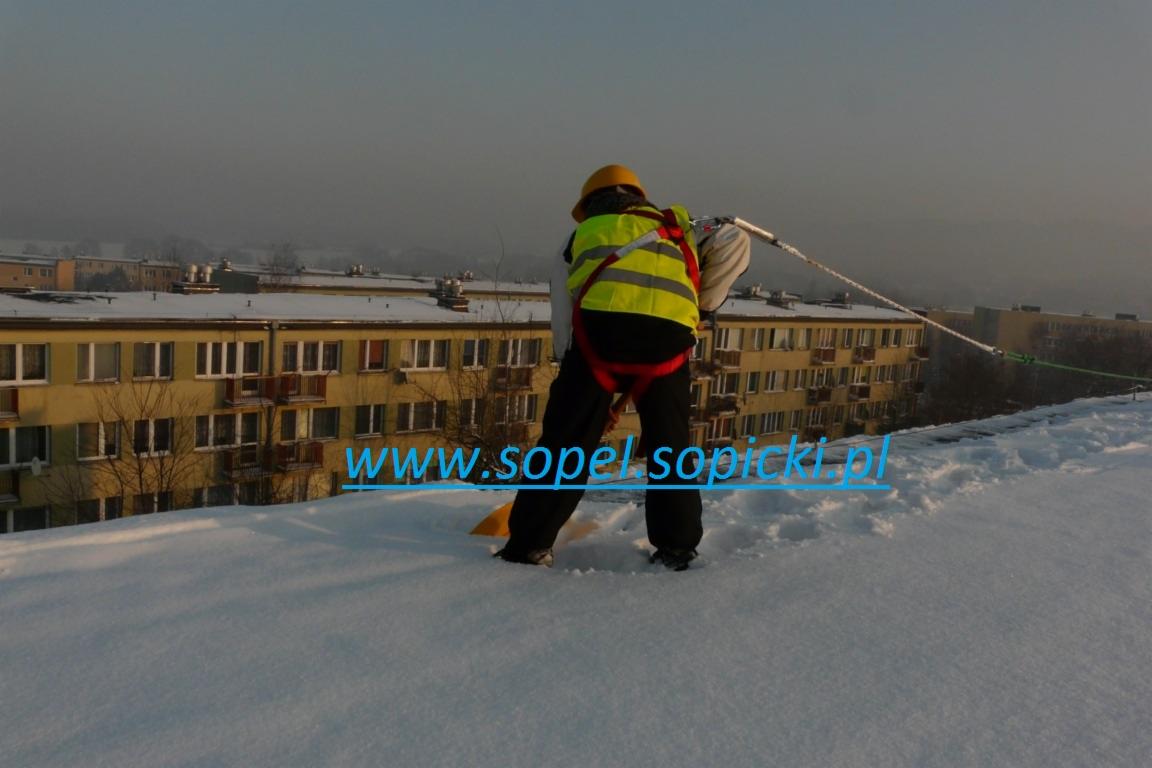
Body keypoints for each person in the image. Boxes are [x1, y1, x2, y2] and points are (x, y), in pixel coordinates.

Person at [496, 164, 749, 570]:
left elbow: (564, 311)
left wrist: (576, 382)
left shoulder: (581, 235)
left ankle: (528, 545)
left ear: (590, 204)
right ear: (638, 196)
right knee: (671, 450)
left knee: (565, 448)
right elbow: (735, 238)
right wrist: (700, 307)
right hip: (668, 346)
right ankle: (677, 549)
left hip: (598, 344)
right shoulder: (678, 227)